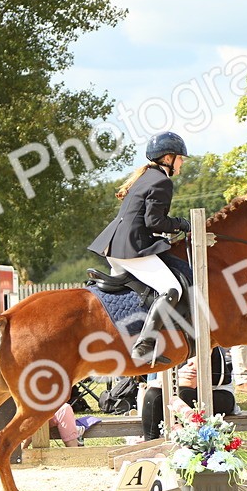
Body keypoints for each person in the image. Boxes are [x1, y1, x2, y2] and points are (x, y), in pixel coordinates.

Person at [88, 131, 193, 364]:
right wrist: (181, 224)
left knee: (138, 297)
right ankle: (144, 345)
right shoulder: (162, 181)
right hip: (131, 248)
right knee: (171, 289)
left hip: (115, 246)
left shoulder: (146, 177)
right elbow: (154, 222)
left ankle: (127, 340)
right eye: (180, 159)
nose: (182, 163)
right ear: (168, 158)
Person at [141, 347, 237, 440]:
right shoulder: (167, 343)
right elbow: (159, 380)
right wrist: (178, 374)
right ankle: (151, 443)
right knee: (153, 394)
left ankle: (188, 443)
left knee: (183, 394)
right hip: (186, 392)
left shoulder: (196, 338)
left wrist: (172, 376)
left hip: (218, 394)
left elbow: (190, 383)